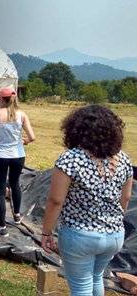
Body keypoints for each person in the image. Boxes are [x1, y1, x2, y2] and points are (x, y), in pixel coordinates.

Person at [41, 105, 133, 295]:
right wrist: (114, 223)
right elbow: (126, 197)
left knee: (81, 286)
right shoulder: (124, 159)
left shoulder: (71, 159)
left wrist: (46, 232)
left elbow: (56, 200)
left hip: (80, 235)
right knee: (96, 277)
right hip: (114, 235)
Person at [0, 86, 35, 237]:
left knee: (0, 190)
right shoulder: (21, 115)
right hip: (18, 156)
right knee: (15, 183)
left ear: (1, 100)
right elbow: (32, 137)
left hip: (0, 156)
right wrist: (23, 141)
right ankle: (17, 216)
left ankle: (2, 226)